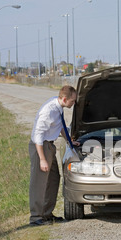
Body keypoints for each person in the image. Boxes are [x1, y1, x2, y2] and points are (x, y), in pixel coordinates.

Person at [29, 85, 78, 226]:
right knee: (39, 183)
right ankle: (36, 217)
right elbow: (38, 136)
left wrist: (70, 141)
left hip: (49, 146)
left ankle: (47, 214)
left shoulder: (58, 108)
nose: (74, 103)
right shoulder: (48, 111)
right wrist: (42, 159)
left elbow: (60, 126)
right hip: (41, 147)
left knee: (54, 178)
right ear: (64, 99)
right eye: (73, 101)